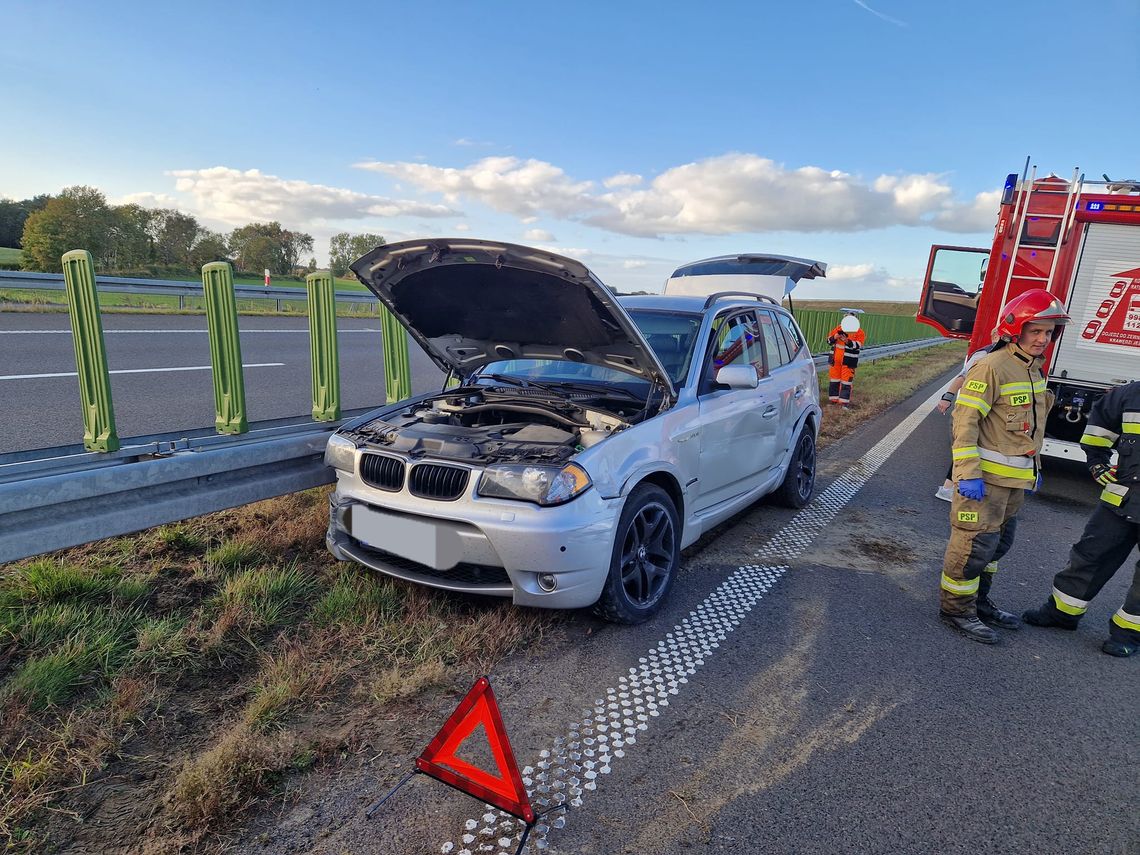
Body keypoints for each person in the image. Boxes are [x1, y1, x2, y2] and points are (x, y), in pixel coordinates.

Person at [938, 288, 1071, 644]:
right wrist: (965, 474)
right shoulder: (992, 366)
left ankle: (979, 602)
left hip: (1014, 484)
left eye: (1049, 332)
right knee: (972, 546)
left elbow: (1032, 429)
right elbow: (964, 422)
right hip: (984, 482)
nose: (1043, 339)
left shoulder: (1033, 370)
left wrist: (1036, 469)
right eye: (1036, 330)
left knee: (997, 546)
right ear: (1016, 328)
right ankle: (956, 608)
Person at [1021, 381, 1140, 657]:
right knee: (1089, 555)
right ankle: (1062, 612)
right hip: (1121, 497)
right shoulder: (1129, 394)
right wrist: (1097, 463)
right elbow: (1098, 433)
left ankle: (1129, 634)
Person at [935, 341, 999, 501]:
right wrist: (947, 398)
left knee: (973, 449)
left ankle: (950, 487)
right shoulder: (983, 355)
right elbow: (963, 377)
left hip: (985, 412)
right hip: (969, 411)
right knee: (966, 447)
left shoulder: (1005, 357)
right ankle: (950, 488)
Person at [826, 310, 866, 405]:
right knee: (834, 380)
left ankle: (844, 403)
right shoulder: (838, 328)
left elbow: (858, 345)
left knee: (846, 382)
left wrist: (847, 341)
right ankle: (833, 401)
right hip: (835, 361)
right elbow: (828, 341)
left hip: (848, 362)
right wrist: (834, 337)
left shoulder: (859, 332)